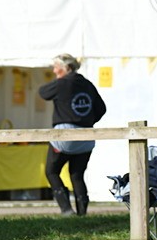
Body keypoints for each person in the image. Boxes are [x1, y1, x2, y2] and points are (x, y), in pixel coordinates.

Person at [38, 54, 106, 215]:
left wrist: (60, 81)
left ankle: (66, 210)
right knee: (77, 175)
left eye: (56, 68)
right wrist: (86, 121)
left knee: (52, 171)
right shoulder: (87, 84)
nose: (54, 71)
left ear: (66, 68)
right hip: (87, 136)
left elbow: (43, 92)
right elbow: (102, 109)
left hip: (65, 135)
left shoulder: (62, 83)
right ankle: (82, 213)